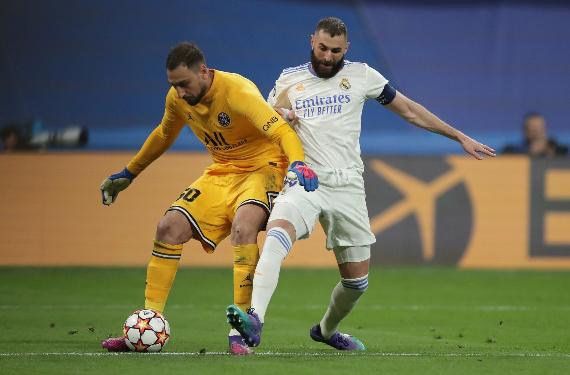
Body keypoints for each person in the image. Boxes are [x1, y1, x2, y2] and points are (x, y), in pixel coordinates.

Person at [226, 17, 495, 351]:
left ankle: (325, 331)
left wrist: (458, 136)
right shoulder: (288, 81)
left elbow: (409, 110)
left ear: (346, 49)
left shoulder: (362, 76)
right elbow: (266, 125)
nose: (327, 57)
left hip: (348, 186)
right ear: (312, 41)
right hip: (305, 181)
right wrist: (281, 117)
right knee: (277, 237)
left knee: (356, 283)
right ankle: (255, 320)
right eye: (322, 48)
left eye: (335, 51)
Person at [100, 42, 318, 355]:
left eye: (184, 83)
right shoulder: (177, 98)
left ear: (203, 71)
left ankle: (240, 331)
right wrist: (129, 172)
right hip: (222, 172)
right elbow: (164, 134)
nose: (180, 92)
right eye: (173, 85)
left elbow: (281, 131)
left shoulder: (237, 91)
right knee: (168, 228)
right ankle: (147, 323)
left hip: (263, 168)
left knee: (243, 229)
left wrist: (297, 163)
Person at [502, 112, 568, 157]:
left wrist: (551, 154)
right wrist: (530, 153)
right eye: (533, 129)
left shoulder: (560, 150)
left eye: (540, 128)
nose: (536, 133)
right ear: (525, 131)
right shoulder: (511, 150)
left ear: (545, 130)